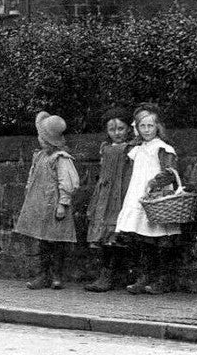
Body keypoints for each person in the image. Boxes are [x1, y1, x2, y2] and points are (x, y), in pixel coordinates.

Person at [114, 104, 182, 295]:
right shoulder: (137, 149)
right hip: (139, 197)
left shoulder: (162, 148)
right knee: (142, 239)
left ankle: (163, 279)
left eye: (150, 126)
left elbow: (169, 172)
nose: (146, 130)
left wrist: (154, 182)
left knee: (161, 238)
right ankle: (144, 277)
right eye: (142, 126)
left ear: (157, 127)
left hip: (157, 198)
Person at [13, 112, 80, 290]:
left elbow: (67, 183)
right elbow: (32, 177)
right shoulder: (40, 156)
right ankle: (43, 275)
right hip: (40, 205)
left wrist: (63, 203)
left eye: (42, 137)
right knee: (41, 241)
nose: (39, 139)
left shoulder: (60, 158)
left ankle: (57, 275)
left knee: (55, 241)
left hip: (54, 205)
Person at [84, 106, 134, 292]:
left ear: (128, 128)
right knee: (104, 238)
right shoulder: (105, 148)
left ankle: (113, 276)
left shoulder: (131, 148)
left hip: (121, 195)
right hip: (104, 195)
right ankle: (105, 275)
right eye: (112, 130)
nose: (116, 133)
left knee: (117, 236)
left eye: (121, 129)